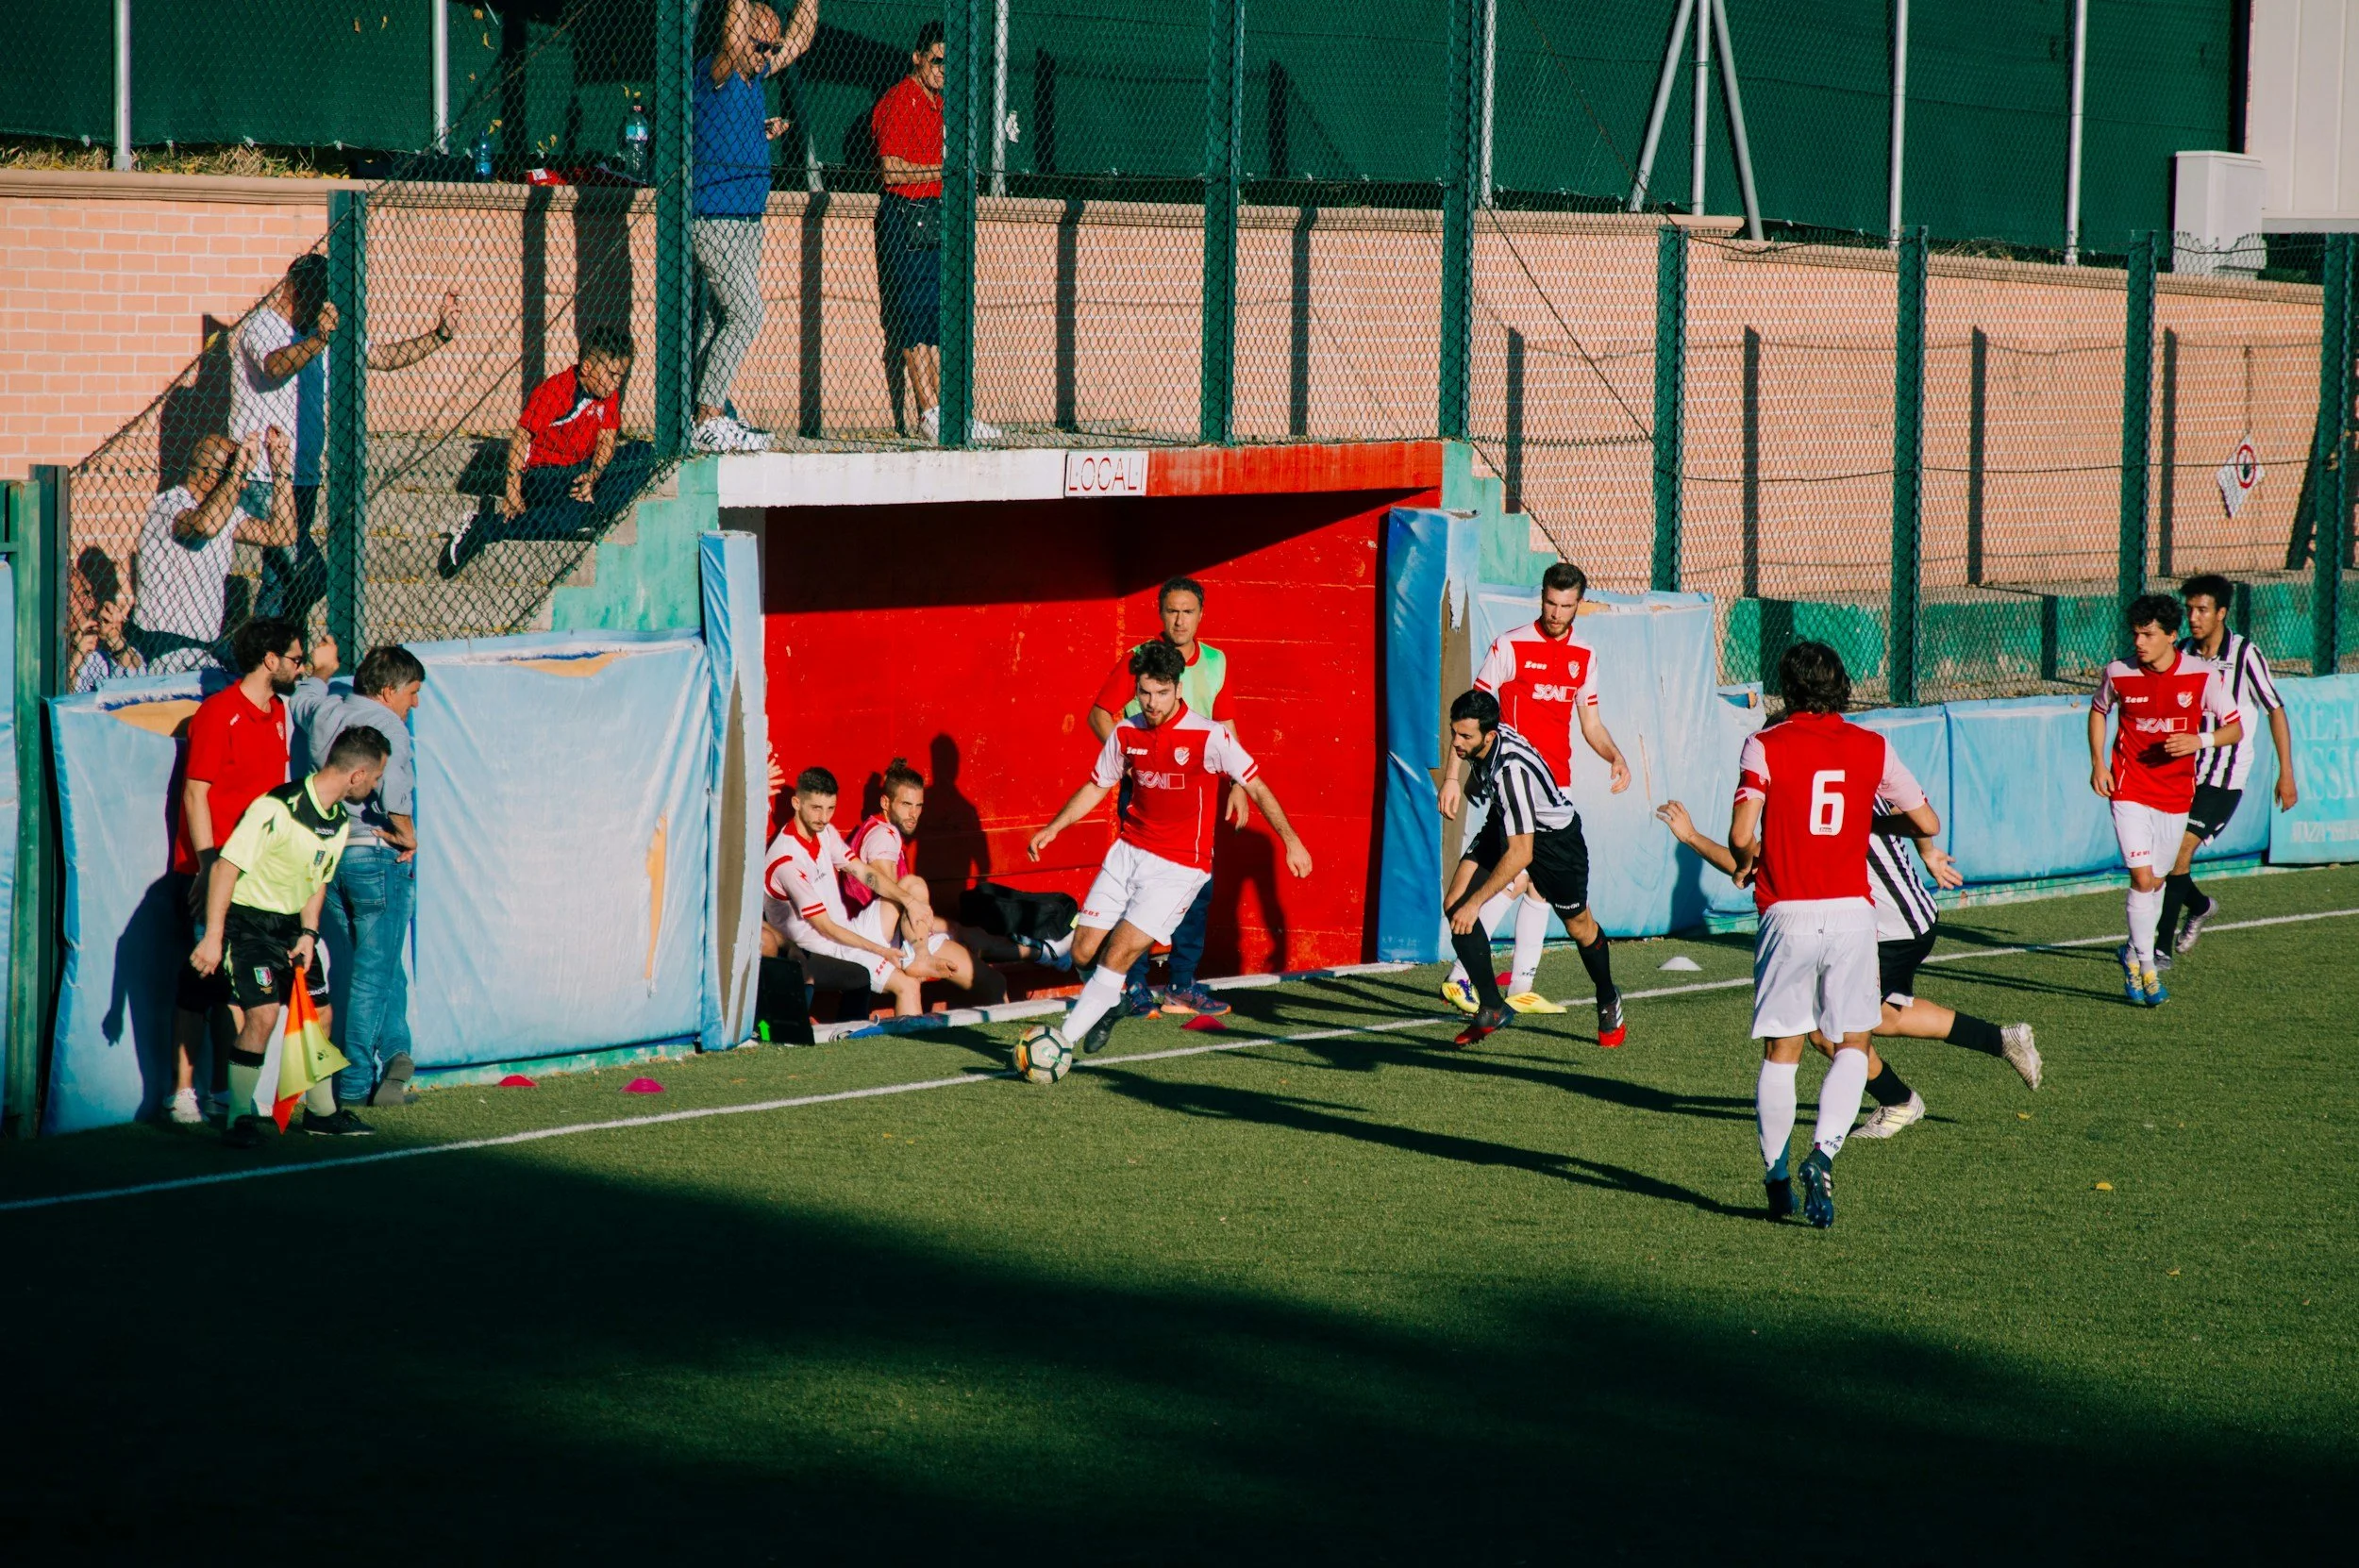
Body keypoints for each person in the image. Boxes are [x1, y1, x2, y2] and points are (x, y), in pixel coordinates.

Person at [1655, 796, 2040, 1139]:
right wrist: (1928, 850)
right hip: (1895, 919)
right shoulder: (1854, 756)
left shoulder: (1803, 794)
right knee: (1883, 1016)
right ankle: (2000, 1040)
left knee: (1829, 1030)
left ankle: (1900, 1101)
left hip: (1888, 926)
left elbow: (1757, 866)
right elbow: (1912, 804)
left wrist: (1691, 838)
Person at [1728, 641, 1937, 1228]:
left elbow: (1743, 833)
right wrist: (1867, 819)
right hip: (1852, 914)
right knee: (1852, 1045)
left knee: (1783, 1052)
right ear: (1842, 684)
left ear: (1786, 689)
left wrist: (1748, 853)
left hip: (1787, 911)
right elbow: (1928, 822)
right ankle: (1823, 1154)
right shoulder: (1873, 746)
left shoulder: (1764, 744)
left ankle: (1775, 1179)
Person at [1028, 640, 1313, 1058]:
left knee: (1121, 951)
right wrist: (1054, 828)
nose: (1152, 701)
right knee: (1085, 950)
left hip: (1180, 866)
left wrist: (1291, 841)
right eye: (1144, 692)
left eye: (1162, 692)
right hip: (1128, 852)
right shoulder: (1126, 732)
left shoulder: (1209, 736)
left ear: (1178, 689)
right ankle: (1110, 1001)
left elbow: (1256, 784)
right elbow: (1096, 785)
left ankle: (1059, 1044)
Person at [1438, 562, 1631, 1016]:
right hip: (1510, 784)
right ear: (1540, 597)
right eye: (1550, 602)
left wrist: (1615, 756)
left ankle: (1519, 985)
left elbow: (1591, 723)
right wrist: (1452, 776)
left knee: (1536, 888)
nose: (1556, 612)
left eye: (1566, 605)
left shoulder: (1585, 656)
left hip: (1554, 787)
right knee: (1516, 874)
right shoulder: (1511, 645)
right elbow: (1470, 717)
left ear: (1578, 604)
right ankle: (1463, 975)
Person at [191, 725, 391, 1148]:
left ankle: (322, 1114)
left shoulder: (337, 822)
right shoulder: (276, 808)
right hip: (248, 923)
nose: (375, 787)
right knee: (262, 1015)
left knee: (320, 1014)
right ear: (356, 775)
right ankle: (239, 1119)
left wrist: (309, 933)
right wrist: (213, 937)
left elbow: (316, 882)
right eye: (374, 778)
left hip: (291, 930)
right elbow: (226, 868)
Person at [160, 615, 314, 1126]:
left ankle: (226, 1089)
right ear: (269, 660)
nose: (300, 666)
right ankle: (183, 1091)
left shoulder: (278, 714)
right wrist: (208, 866)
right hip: (211, 869)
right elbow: (195, 791)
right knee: (200, 979)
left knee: (235, 985)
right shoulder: (218, 713)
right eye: (294, 658)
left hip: (255, 875)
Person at [1085, 576, 1239, 1020]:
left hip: (1198, 801)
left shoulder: (1215, 660)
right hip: (1148, 794)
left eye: (1188, 611)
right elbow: (1100, 713)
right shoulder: (1139, 658)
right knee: (1136, 887)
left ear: (1200, 615)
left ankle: (1180, 984)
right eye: (1172, 611)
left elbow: (1226, 725)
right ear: (1160, 613)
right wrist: (1127, 760)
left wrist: (1240, 788)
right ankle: (1130, 984)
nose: (1180, 619)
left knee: (1197, 890)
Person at [1438, 689, 1623, 1050]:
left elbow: (1522, 853)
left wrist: (1478, 904)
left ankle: (1607, 996)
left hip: (1555, 844)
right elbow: (1510, 831)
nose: (1456, 743)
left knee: (1579, 926)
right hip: (1507, 822)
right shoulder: (1481, 739)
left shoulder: (1512, 773)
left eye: (1465, 737)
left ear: (1489, 736)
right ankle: (1491, 1006)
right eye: (1453, 733)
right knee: (1455, 905)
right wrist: (1453, 779)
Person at [274, 272, 462, 626]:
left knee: (283, 582)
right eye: (320, 299)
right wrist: (319, 338)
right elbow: (276, 366)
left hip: (307, 474)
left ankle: (281, 652)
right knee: (301, 572)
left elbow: (386, 357)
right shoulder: (272, 331)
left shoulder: (330, 340)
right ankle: (265, 653)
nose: (327, 309)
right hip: (271, 475)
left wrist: (439, 336)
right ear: (297, 293)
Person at [2088, 593, 2242, 1007]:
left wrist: (2199, 739)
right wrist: (2099, 764)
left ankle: (2133, 956)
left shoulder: (2202, 676)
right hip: (2129, 789)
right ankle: (2146, 967)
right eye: (2135, 634)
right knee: (2141, 879)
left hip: (2175, 796)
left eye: (2148, 635)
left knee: (2156, 881)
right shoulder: (2119, 673)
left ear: (2171, 636)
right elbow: (2099, 709)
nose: (2139, 642)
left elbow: (2234, 730)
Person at [293, 639, 427, 1110]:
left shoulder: (327, 710)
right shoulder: (390, 726)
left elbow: (303, 701)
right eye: (412, 692)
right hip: (375, 854)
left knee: (381, 963)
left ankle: (396, 1053)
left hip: (330, 857)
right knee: (373, 973)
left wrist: (321, 670)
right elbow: (394, 798)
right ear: (389, 691)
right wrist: (409, 837)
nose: (414, 704)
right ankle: (353, 1084)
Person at [689, 0, 815, 454]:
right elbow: (733, 35)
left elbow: (798, 43)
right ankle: (709, 416)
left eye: (770, 48)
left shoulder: (755, 75)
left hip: (747, 217)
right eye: (759, 45)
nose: (765, 55)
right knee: (747, 313)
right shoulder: (716, 71)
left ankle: (704, 408)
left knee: (716, 319)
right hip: (715, 216)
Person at [2157, 573, 2297, 963]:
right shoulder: (2181, 652)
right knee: (2163, 855)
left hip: (2224, 776)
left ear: (2221, 612)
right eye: (2189, 610)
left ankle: (2159, 947)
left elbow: (2275, 709)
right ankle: (2199, 906)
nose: (2194, 618)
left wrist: (2286, 773)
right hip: (2182, 773)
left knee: (2179, 851)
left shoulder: (2245, 655)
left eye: (2202, 610)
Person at [441, 325, 656, 576]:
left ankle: (593, 507)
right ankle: (486, 526)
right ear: (587, 368)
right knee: (573, 518)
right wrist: (512, 491)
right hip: (545, 476)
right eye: (611, 374)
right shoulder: (556, 391)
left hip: (582, 471)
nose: (616, 382)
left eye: (621, 375)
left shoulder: (608, 394)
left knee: (644, 452)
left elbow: (607, 441)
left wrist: (593, 476)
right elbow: (521, 437)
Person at [871, 22, 998, 443]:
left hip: (935, 214)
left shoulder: (942, 106)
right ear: (919, 58)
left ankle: (949, 412)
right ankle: (927, 411)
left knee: (934, 318)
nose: (945, 70)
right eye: (939, 60)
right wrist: (940, 173)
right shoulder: (899, 101)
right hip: (905, 213)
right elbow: (890, 168)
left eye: (951, 63)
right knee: (909, 314)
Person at [762, 766, 930, 1017]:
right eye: (816, 808)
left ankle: (922, 956)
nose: (824, 817)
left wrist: (909, 901)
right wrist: (879, 949)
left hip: (844, 934)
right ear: (796, 803)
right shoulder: (786, 860)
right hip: (812, 948)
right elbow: (826, 928)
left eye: (830, 808)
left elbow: (864, 873)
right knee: (902, 984)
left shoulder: (825, 832)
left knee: (912, 887)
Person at [132, 429, 297, 671]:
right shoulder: (169, 505)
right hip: (162, 640)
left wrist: (280, 472)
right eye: (236, 475)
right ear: (210, 477)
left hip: (204, 644)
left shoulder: (223, 512)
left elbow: (282, 534)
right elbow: (205, 526)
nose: (243, 484)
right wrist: (236, 471)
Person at [843, 757, 1000, 1001]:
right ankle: (922, 955)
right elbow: (892, 896)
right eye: (906, 804)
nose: (913, 814)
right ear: (886, 802)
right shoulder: (884, 836)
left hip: (891, 931)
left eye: (918, 806)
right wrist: (935, 924)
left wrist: (947, 926)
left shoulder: (881, 831)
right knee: (914, 886)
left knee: (982, 962)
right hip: (878, 935)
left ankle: (1044, 952)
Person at [70, 548, 145, 692]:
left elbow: (138, 683)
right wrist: (76, 656)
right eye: (83, 595)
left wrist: (116, 641)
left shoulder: (96, 655)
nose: (92, 604)